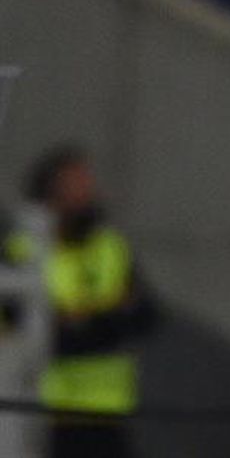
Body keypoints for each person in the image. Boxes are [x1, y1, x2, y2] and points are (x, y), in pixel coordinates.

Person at [2, 145, 154, 458]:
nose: (89, 192)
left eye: (88, 183)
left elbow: (145, 314)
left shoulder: (108, 246)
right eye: (76, 184)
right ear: (51, 193)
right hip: (42, 411)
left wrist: (82, 320)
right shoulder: (23, 250)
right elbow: (22, 330)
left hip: (104, 411)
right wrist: (100, 316)